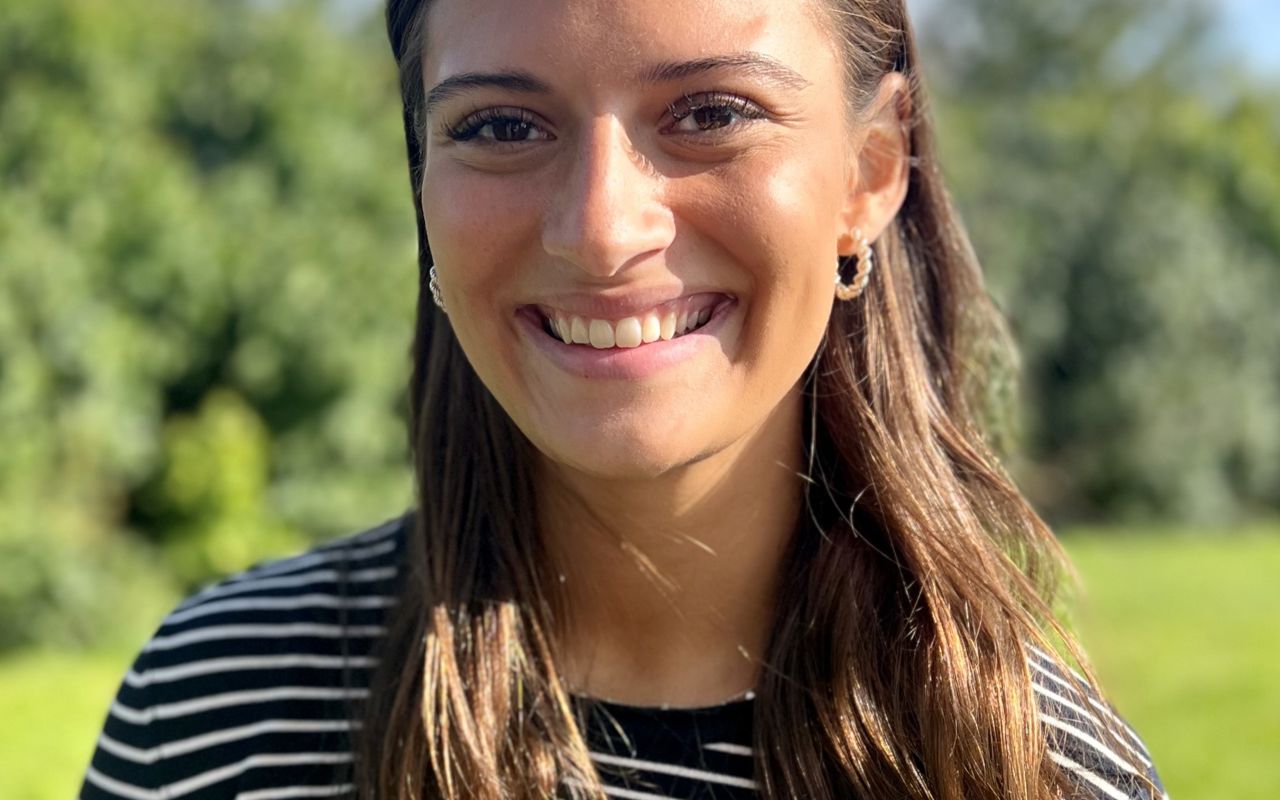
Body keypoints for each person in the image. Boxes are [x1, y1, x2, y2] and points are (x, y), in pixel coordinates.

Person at [80, 0, 1169, 798]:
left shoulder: (1042, 771)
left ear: (869, 173)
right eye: (500, 127)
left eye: (711, 111)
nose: (600, 231)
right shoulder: (210, 718)